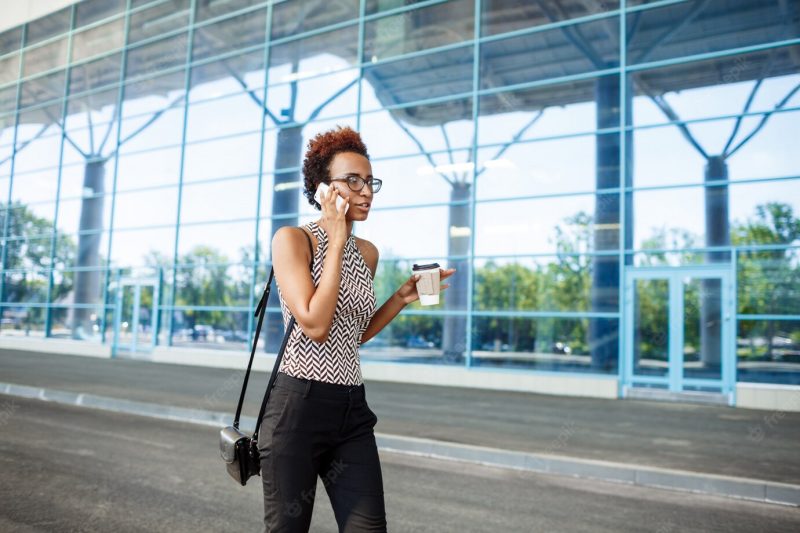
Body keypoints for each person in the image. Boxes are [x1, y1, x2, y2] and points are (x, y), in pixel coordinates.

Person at [258, 125, 456, 532]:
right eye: (352, 181)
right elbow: (314, 323)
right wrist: (333, 238)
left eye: (369, 181)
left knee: (369, 528)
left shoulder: (367, 252)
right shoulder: (292, 240)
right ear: (321, 189)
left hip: (351, 408)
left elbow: (354, 334)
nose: (366, 191)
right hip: (297, 406)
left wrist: (400, 298)